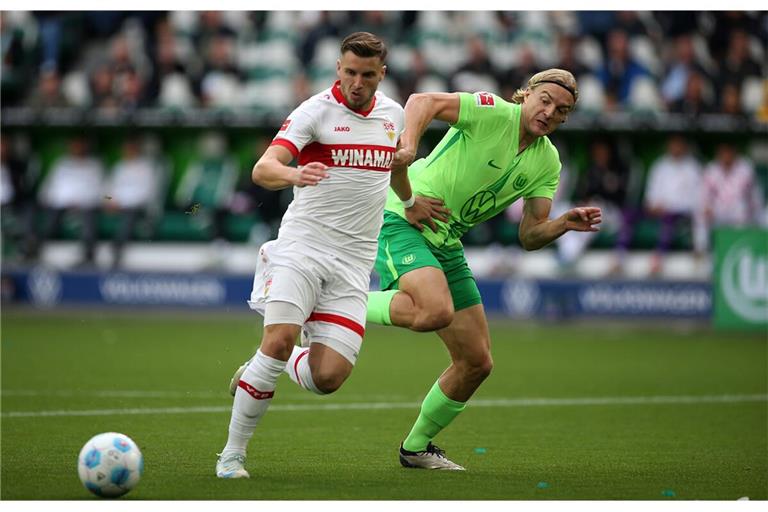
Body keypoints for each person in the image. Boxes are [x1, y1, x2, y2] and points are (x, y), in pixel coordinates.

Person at [216, 32, 442, 479]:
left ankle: (264, 365)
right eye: (350, 72)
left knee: (328, 379)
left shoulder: (393, 114)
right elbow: (264, 168)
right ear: (339, 69)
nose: (357, 83)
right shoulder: (315, 111)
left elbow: (394, 167)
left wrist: (411, 201)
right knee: (278, 340)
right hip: (304, 247)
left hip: (355, 262)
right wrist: (296, 173)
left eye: (367, 75)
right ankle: (232, 454)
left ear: (382, 74)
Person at [364, 69, 601, 470]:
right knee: (434, 308)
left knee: (477, 362)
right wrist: (407, 151)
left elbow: (529, 236)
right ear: (526, 95)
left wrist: (562, 224)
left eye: (561, 110)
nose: (549, 111)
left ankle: (416, 448)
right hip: (404, 215)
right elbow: (422, 101)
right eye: (544, 99)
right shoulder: (492, 111)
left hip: (446, 240)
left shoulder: (548, 162)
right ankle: (330, 303)